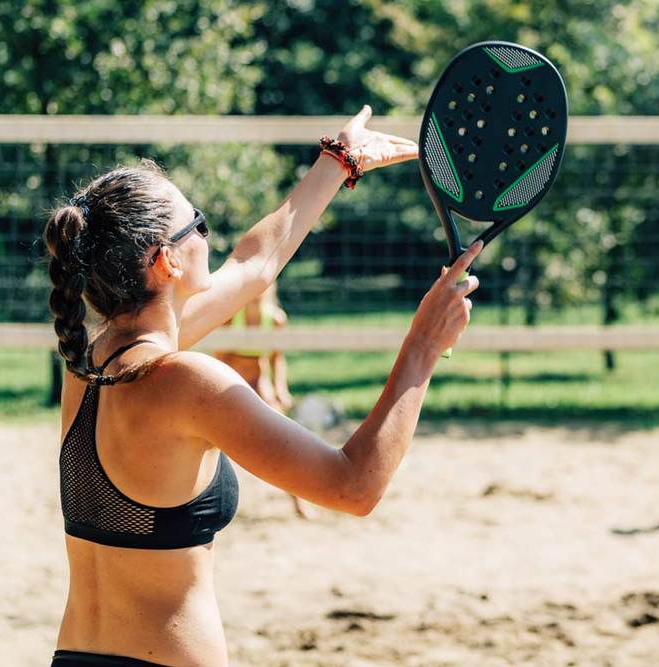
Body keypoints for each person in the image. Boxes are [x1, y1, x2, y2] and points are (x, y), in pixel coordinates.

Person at [44, 106, 483, 667]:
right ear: (167, 262)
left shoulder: (90, 363)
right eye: (196, 223)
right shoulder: (186, 382)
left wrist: (339, 160)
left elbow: (255, 264)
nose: (209, 233)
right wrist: (423, 344)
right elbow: (353, 487)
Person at [213, 281, 310, 518]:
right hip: (230, 383)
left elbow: (277, 358)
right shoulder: (231, 317)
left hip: (259, 382)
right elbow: (219, 360)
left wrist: (280, 387)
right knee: (212, 439)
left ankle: (298, 501)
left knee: (284, 440)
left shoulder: (275, 319)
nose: (259, 291)